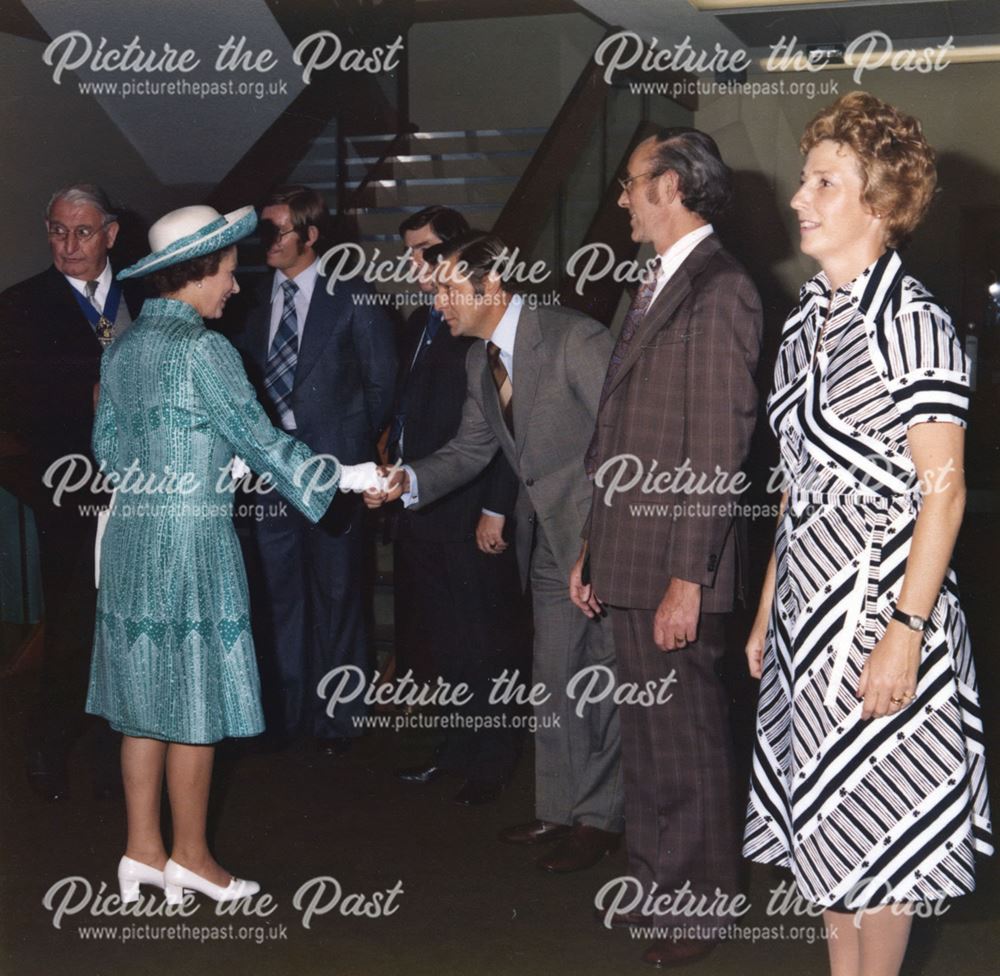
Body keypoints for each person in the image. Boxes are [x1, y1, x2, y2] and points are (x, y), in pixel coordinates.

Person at [743, 92, 993, 976]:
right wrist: (770, 602)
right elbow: (795, 479)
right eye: (804, 178)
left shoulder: (910, 323)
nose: (799, 197)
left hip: (884, 610)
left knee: (879, 845)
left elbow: (946, 495)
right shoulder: (809, 317)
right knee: (829, 840)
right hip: (811, 612)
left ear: (880, 206)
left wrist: (906, 635)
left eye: (824, 182)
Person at [84, 204, 383, 904]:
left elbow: (110, 454)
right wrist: (354, 476)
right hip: (190, 545)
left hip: (132, 541)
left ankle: (141, 853)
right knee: (194, 701)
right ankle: (191, 857)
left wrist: (208, 460)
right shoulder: (205, 350)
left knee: (142, 705)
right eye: (224, 272)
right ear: (193, 274)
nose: (236, 286)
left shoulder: (122, 349)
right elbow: (265, 442)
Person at [368, 231, 625, 872]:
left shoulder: (575, 339)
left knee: (601, 681)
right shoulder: (479, 361)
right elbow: (470, 451)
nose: (439, 299)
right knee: (553, 676)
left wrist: (596, 545)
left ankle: (599, 819)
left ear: (492, 288)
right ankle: (559, 809)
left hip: (604, 536)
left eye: (452, 287)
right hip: (546, 542)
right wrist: (410, 481)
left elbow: (625, 449)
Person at [570, 128, 762, 968]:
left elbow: (718, 449)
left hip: (677, 566)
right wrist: (592, 548)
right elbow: (621, 432)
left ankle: (697, 910)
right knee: (648, 744)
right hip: (630, 553)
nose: (620, 199)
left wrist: (689, 576)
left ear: (673, 186)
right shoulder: (658, 282)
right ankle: (654, 891)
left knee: (684, 743)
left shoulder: (721, 289)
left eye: (630, 183)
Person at [236, 185, 396, 753]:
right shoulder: (250, 301)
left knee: (337, 593)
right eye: (263, 232)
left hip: (336, 473)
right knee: (279, 593)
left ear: (310, 235)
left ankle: (339, 721)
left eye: (277, 230)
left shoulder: (353, 295)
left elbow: (382, 386)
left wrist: (348, 447)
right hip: (268, 475)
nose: (268, 243)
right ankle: (289, 715)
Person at [0, 183, 145, 801]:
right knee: (74, 626)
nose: (69, 244)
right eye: (58, 230)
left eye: (83, 232)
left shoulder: (149, 290)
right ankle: (49, 743)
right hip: (72, 492)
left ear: (111, 234)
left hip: (151, 488)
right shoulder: (19, 306)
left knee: (139, 621)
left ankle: (129, 751)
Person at [387, 206, 526, 805]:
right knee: (447, 642)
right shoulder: (423, 319)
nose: (413, 262)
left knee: (485, 641)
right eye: (410, 251)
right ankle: (456, 748)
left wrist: (497, 506)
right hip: (424, 503)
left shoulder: (477, 322)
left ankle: (491, 763)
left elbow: (502, 430)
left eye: (425, 250)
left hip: (472, 511)